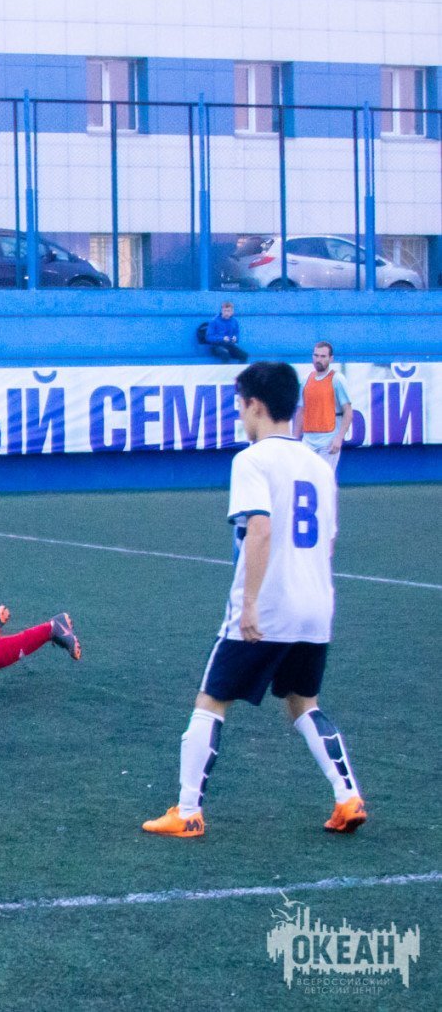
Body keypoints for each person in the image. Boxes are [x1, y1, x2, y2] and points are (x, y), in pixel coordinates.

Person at [143, 361, 366, 839]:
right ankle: (347, 796)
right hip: (316, 606)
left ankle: (187, 811)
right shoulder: (319, 466)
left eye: (240, 406)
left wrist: (249, 604)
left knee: (210, 700)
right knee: (304, 703)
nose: (239, 415)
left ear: (256, 406)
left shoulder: (252, 460)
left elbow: (260, 529)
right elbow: (328, 542)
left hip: (269, 605)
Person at [300, 341, 352, 471]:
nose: (318, 359)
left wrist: (339, 438)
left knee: (325, 478)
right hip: (308, 441)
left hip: (328, 441)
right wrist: (295, 439)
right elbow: (300, 410)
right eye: (316, 355)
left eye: (323, 356)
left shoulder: (337, 379)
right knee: (306, 478)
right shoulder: (306, 380)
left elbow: (348, 411)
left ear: (331, 358)